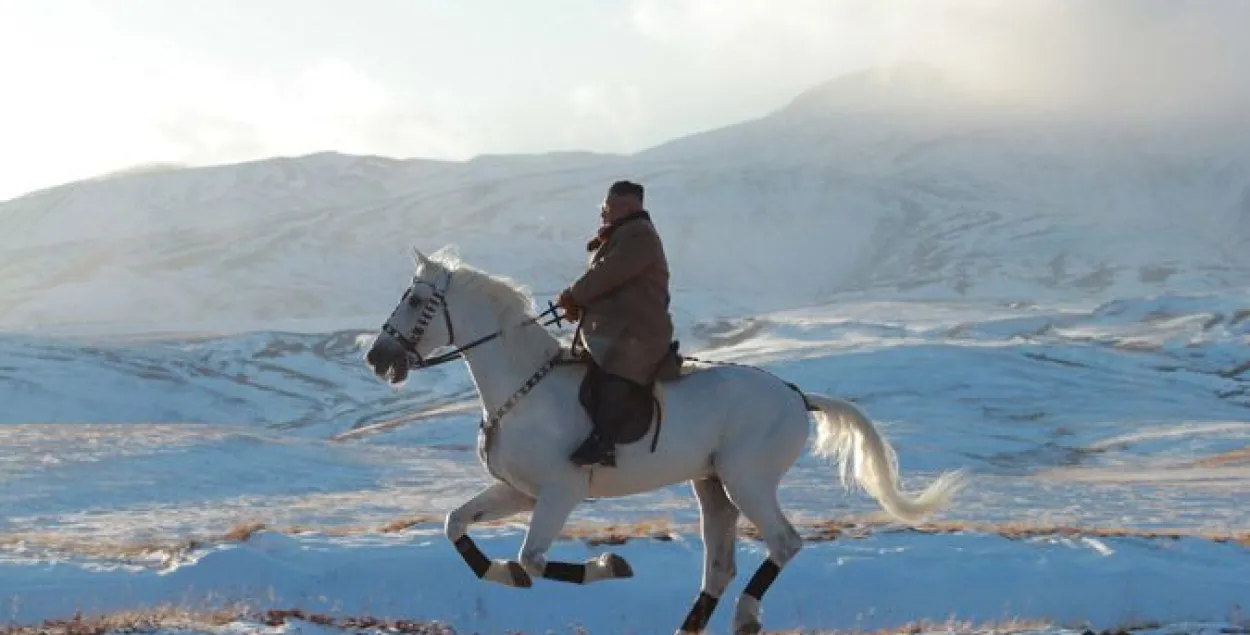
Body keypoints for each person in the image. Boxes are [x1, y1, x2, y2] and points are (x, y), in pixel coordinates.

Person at [556, 180, 675, 467]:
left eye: (606, 207)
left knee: (618, 370)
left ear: (625, 207)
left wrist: (575, 295)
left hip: (637, 332)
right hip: (616, 327)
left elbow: (608, 274)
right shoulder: (623, 234)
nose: (602, 214)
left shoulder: (639, 235)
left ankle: (604, 444)